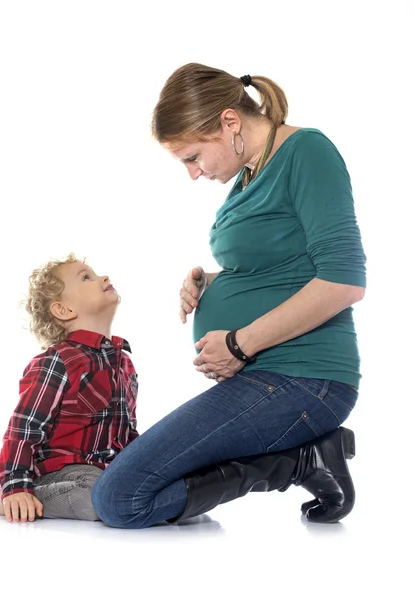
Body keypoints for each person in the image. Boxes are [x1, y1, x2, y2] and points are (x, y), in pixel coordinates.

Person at [90, 63, 366, 529]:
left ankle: (303, 462)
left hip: (306, 380)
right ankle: (303, 455)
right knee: (127, 488)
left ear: (230, 123)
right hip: (268, 378)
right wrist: (214, 281)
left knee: (122, 499)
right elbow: (283, 263)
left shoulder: (307, 152)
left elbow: (344, 281)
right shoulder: (248, 174)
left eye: (193, 157)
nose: (194, 175)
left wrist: (240, 344)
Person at [0, 254, 138, 523]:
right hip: (67, 472)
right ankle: (17, 498)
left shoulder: (124, 362)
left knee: (133, 489)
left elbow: (126, 431)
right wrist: (15, 485)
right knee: (98, 497)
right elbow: (24, 429)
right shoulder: (58, 360)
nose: (103, 278)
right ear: (64, 310)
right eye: (86, 277)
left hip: (110, 470)